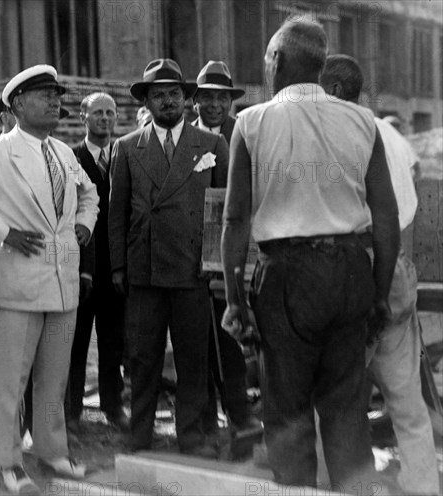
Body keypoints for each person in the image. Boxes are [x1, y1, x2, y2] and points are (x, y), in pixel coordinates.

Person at [220, 18, 400, 492]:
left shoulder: (252, 122)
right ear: (320, 67)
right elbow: (385, 218)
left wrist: (235, 300)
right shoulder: (362, 121)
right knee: (346, 413)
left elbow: (236, 220)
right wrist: (378, 295)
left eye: (265, 58)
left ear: (276, 60)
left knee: (287, 411)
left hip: (285, 278)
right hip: (349, 274)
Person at [0, 64, 99, 494]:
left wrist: (83, 223)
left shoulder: (64, 152)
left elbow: (90, 193)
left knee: (55, 377)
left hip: (63, 283)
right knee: (10, 379)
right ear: (16, 105)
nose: (55, 100)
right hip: (17, 286)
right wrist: (2, 233)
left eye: (56, 94)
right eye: (44, 94)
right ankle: (8, 461)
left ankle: (51, 450)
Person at [320, 54, 440, 496]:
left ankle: (331, 483)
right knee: (405, 395)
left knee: (336, 393)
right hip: (398, 272)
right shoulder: (389, 132)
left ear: (331, 90)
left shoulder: (337, 135)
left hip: (359, 270)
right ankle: (424, 484)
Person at [108, 58, 229, 457]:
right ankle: (139, 433)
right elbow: (117, 212)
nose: (167, 102)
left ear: (186, 99)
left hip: (193, 271)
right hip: (145, 270)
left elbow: (223, 211)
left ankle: (191, 436)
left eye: (173, 94)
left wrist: (216, 265)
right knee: (143, 359)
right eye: (157, 95)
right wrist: (119, 267)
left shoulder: (211, 145)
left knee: (194, 359)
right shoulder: (126, 148)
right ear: (147, 100)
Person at [191, 60, 261, 458]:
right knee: (197, 339)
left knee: (233, 335)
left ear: (230, 101)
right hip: (191, 257)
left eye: (222, 97)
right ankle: (204, 420)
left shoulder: (245, 134)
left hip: (235, 252)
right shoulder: (186, 139)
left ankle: (241, 415)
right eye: (207, 97)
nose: (215, 105)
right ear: (196, 100)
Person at [66, 92, 127, 433]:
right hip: (82, 267)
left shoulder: (124, 153)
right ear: (83, 117)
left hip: (115, 267)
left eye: (110, 113)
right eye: (98, 112)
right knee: (76, 342)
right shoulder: (70, 157)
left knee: (113, 342)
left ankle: (113, 405)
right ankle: (72, 409)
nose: (105, 118)